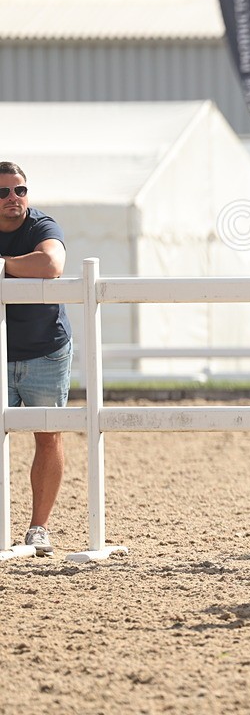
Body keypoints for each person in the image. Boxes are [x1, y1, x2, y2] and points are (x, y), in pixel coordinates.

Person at [0, 161, 73, 557]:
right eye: (4, 193)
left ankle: (38, 528)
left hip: (46, 348)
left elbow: (52, 266)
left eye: (20, 190)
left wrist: (0, 268)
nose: (14, 199)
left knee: (48, 435)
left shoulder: (42, 226)